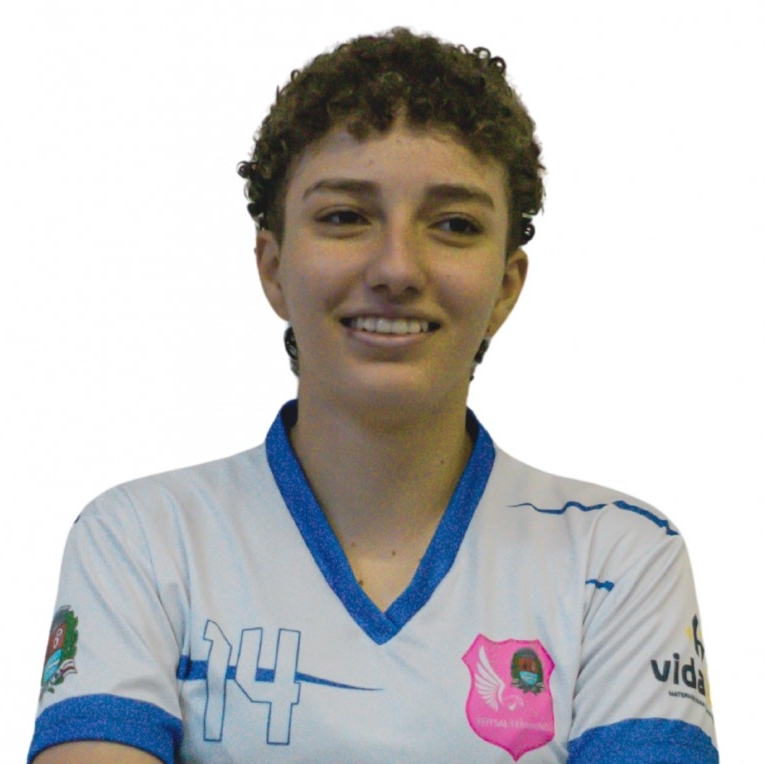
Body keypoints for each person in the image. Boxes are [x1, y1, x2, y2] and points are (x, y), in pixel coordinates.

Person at [28, 28, 718, 764]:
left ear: (505, 287)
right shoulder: (141, 538)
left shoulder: (619, 558)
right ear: (273, 267)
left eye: (454, 225)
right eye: (344, 217)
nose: (397, 268)